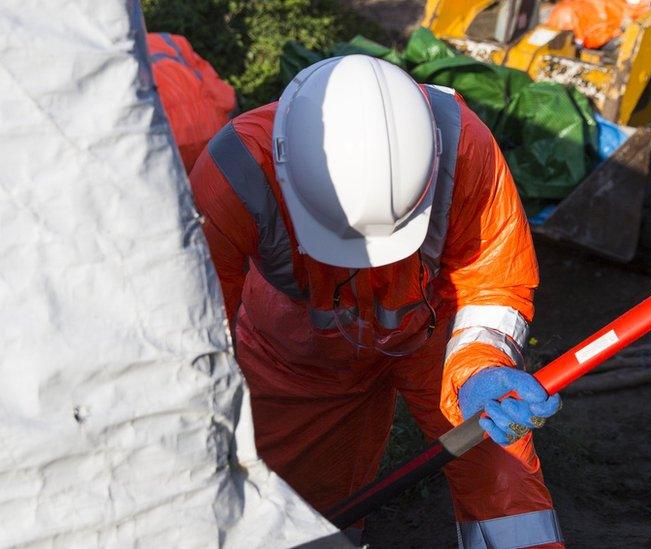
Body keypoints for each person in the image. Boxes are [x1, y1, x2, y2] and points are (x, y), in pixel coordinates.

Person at [189, 54, 564, 548]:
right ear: (283, 165)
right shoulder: (234, 172)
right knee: (299, 510)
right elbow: (195, 332)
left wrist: (482, 364)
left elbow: (494, 280)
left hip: (438, 328)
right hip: (299, 348)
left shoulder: (463, 147)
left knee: (503, 473)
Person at [147, 32, 236, 173]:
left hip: (167, 143)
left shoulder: (111, 57)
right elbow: (223, 95)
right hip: (215, 130)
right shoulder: (170, 40)